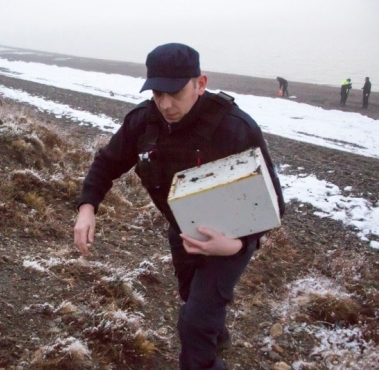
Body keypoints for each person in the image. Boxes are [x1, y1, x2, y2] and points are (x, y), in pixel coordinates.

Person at [73, 43, 285, 370]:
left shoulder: (235, 128)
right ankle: (218, 337)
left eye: (175, 92)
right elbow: (107, 162)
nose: (166, 104)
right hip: (183, 229)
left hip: (232, 235)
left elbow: (273, 203)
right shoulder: (144, 123)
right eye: (158, 93)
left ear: (200, 83)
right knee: (192, 297)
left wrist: (235, 245)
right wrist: (88, 207)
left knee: (193, 323)